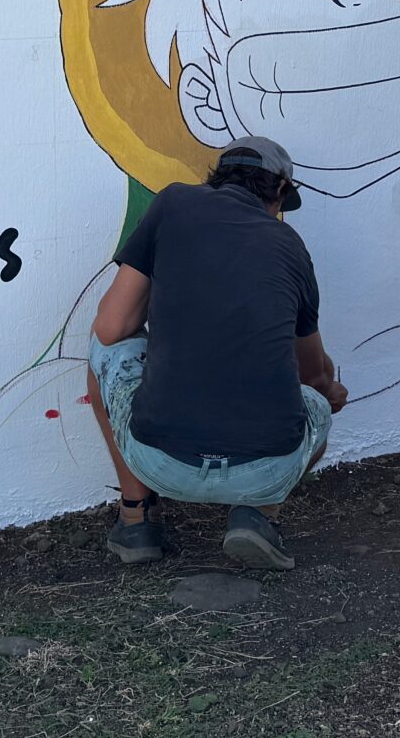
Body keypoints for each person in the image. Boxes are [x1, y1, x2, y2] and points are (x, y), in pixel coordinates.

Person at [86, 138, 349, 571]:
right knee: (316, 405)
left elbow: (111, 328)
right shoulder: (290, 245)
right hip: (266, 470)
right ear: (280, 190)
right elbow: (314, 379)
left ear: (218, 177)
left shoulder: (173, 205)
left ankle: (136, 520)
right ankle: (258, 514)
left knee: (103, 348)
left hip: (159, 463)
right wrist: (330, 389)